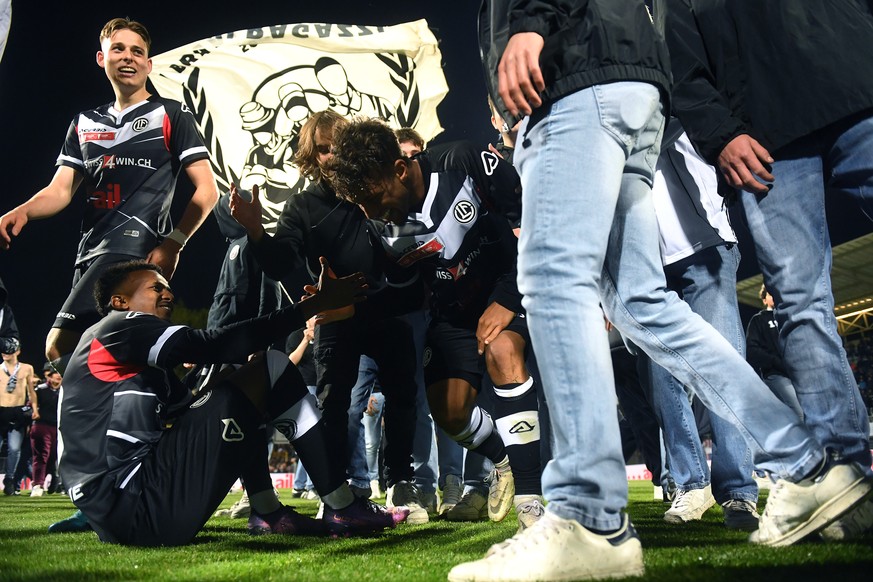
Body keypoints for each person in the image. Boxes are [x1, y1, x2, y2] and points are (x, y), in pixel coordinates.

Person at [447, 1, 873, 580]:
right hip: (627, 78)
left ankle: (588, 517)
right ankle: (809, 465)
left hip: (575, 71)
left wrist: (527, 20)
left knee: (554, 281)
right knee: (641, 303)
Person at [665, 0, 873, 541]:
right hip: (763, 132)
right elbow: (682, 63)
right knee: (800, 302)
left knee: (803, 303)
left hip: (852, 84)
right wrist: (720, 134)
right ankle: (846, 473)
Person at [56, 259, 408, 546]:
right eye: (155, 287)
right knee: (272, 366)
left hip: (119, 511)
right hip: (135, 501)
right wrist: (312, 306)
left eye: (167, 285)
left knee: (242, 380)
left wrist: (239, 377)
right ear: (120, 302)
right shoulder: (118, 326)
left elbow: (192, 407)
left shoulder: (132, 359)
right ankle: (341, 506)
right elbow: (215, 343)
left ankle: (269, 513)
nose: (168, 292)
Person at [327, 118, 545, 532]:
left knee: (502, 349)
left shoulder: (462, 160)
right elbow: (399, 287)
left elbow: (531, 219)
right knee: (449, 412)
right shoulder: (377, 222)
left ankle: (531, 504)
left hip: (510, 283)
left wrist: (508, 297)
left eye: (372, 196)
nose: (369, 211)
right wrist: (341, 297)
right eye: (361, 203)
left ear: (398, 168)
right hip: (450, 314)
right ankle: (503, 462)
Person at [230, 110, 428, 523]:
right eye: (322, 149)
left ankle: (400, 483)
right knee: (334, 404)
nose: (332, 155)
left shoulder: (379, 188)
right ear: (309, 155)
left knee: (404, 396)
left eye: (338, 146)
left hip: (389, 309)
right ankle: (335, 492)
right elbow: (281, 259)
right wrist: (255, 232)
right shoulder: (303, 206)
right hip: (337, 315)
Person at [0, 17, 218, 373]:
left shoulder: (172, 115)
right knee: (111, 352)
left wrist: (174, 242)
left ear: (148, 64)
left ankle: (169, 377)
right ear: (102, 58)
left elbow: (208, 190)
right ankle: (168, 387)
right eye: (118, 48)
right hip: (89, 253)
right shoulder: (84, 122)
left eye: (137, 51)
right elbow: (60, 190)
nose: (128, 57)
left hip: (135, 252)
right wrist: (23, 211)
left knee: (59, 347)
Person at [745, 285, 803, 420]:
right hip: (776, 375)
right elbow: (752, 349)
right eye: (770, 294)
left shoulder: (789, 316)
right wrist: (775, 361)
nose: (774, 296)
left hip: (797, 373)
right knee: (798, 413)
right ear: (764, 300)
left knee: (805, 412)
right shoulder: (759, 319)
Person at [0, 337, 37, 495]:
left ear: (18, 351)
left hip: (17, 411)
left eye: (9, 351)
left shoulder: (27, 368)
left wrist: (35, 409)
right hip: (1, 410)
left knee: (15, 449)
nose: (5, 354)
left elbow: (31, 390)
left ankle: (9, 479)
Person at [30, 365, 62, 497]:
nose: (58, 375)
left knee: (55, 456)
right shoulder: (40, 390)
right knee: (41, 455)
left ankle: (55, 478)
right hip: (42, 425)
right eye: (55, 373)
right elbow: (30, 405)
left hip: (58, 427)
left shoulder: (64, 391)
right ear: (49, 376)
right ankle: (38, 484)